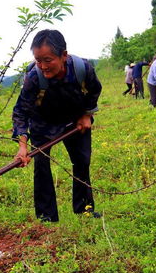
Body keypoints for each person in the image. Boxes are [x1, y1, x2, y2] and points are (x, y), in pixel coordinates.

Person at [12, 29, 102, 222]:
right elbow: (21, 111)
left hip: (75, 120)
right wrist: (22, 146)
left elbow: (95, 90)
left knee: (82, 162)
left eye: (48, 60)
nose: (43, 66)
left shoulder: (82, 69)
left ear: (63, 55)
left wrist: (87, 114)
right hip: (43, 123)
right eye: (38, 60)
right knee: (42, 166)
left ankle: (84, 210)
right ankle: (46, 217)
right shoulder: (34, 78)